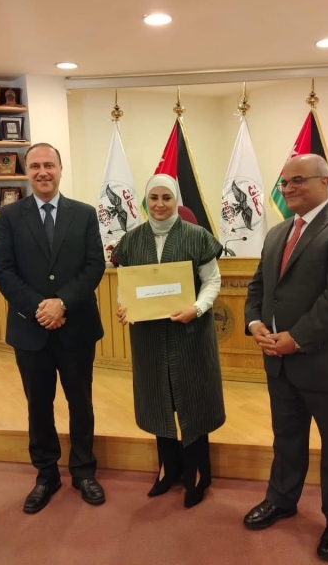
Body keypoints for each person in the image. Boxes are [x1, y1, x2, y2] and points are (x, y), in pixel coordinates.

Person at [243, 154, 328, 562]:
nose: (288, 189)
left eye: (298, 180)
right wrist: (254, 323)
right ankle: (281, 500)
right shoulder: (277, 232)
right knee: (286, 441)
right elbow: (259, 288)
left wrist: (296, 339)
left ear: (324, 182)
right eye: (284, 183)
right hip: (280, 363)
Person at [0, 142, 106, 514]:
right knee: (38, 406)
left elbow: (94, 265)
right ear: (27, 172)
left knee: (81, 403)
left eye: (49, 165)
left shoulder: (84, 214)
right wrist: (40, 308)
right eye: (35, 166)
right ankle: (46, 475)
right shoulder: (10, 216)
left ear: (60, 169)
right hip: (30, 329)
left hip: (76, 328)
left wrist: (62, 303)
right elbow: (3, 270)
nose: (43, 172)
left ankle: (84, 471)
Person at [113, 174, 225, 508]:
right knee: (157, 400)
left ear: (176, 200)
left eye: (166, 198)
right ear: (146, 201)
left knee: (194, 400)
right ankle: (167, 469)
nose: (160, 204)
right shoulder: (132, 240)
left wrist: (197, 308)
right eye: (154, 198)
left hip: (191, 333)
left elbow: (212, 281)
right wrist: (124, 306)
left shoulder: (197, 236)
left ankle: (198, 474)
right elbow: (125, 285)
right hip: (148, 335)